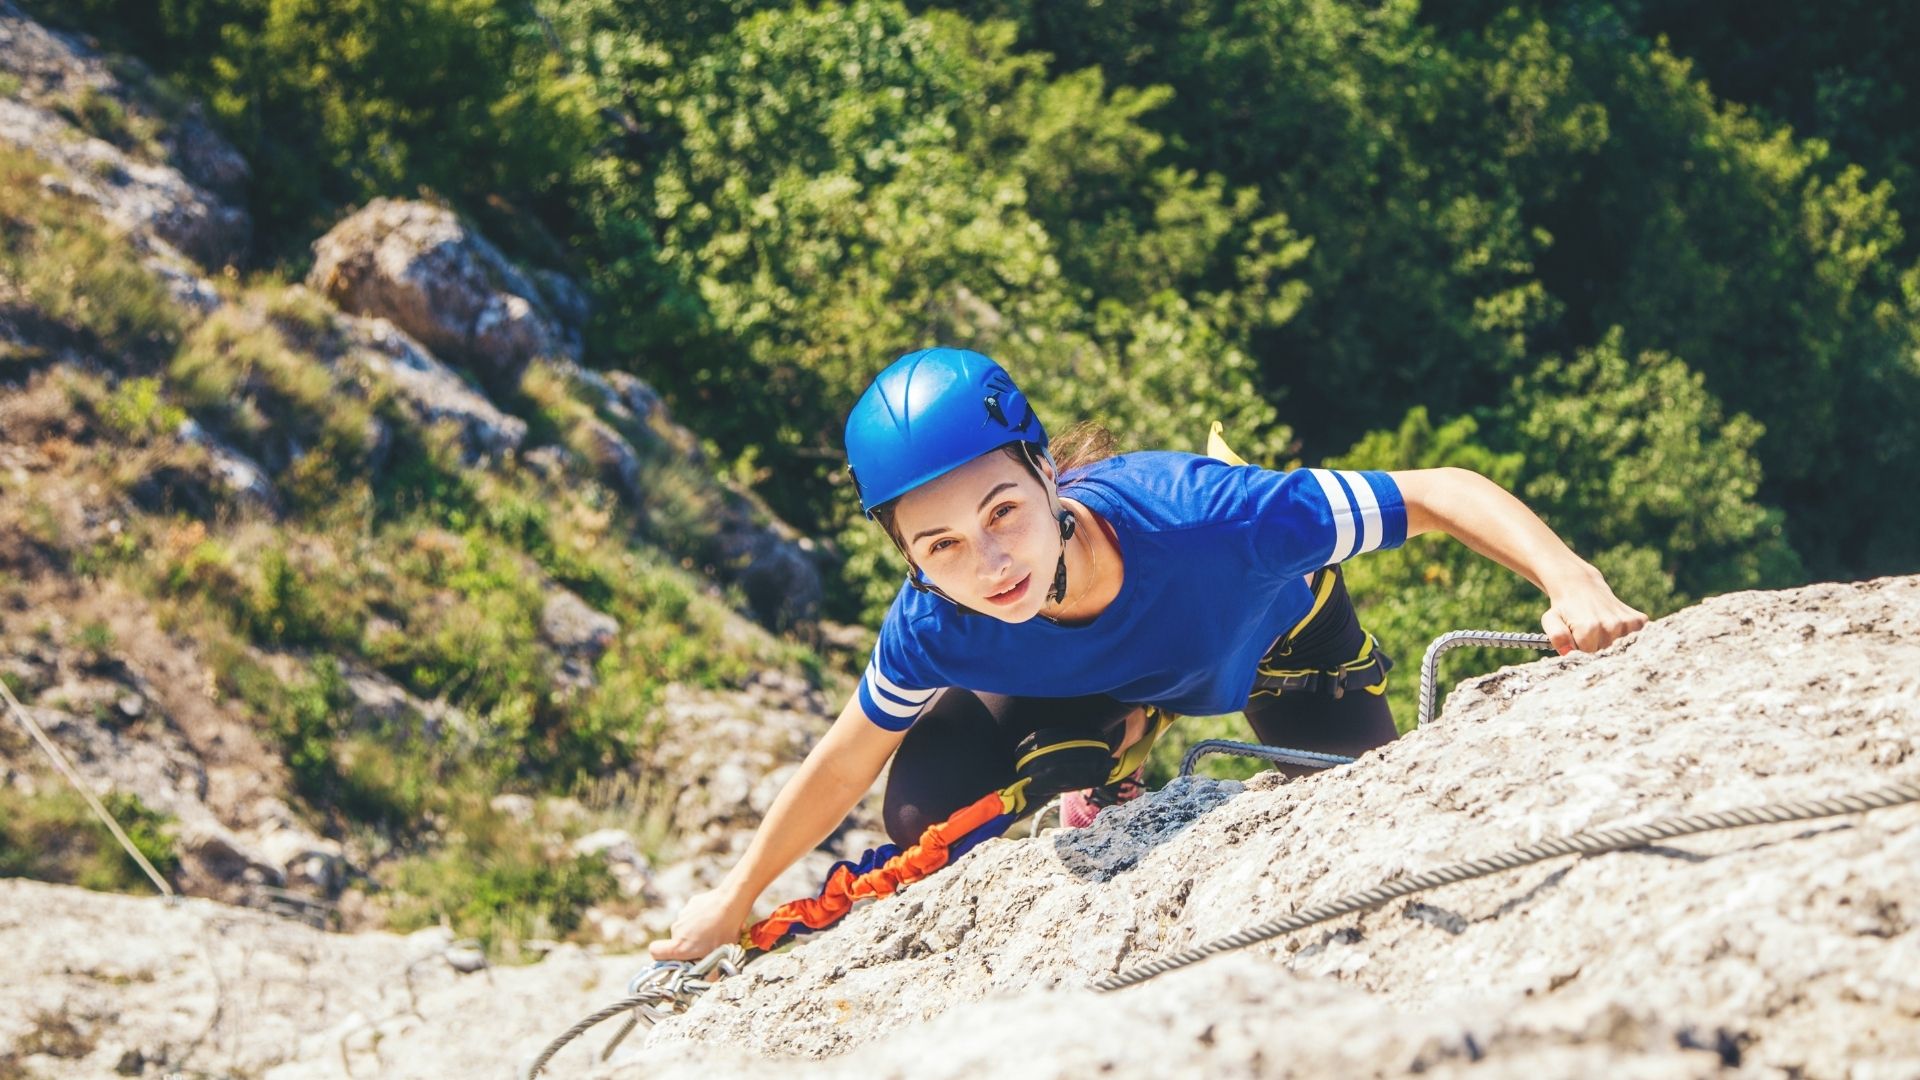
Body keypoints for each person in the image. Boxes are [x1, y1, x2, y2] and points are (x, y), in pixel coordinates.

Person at [651, 347, 1646, 961]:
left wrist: (1571, 580)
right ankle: (1101, 742)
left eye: (1003, 512)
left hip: (1267, 647)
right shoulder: (937, 618)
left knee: (1369, 828)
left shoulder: (1213, 518)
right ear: (907, 556)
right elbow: (847, 757)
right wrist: (733, 900)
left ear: (1049, 475)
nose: (988, 563)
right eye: (940, 545)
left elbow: (1438, 490)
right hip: (1078, 675)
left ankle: (1117, 724)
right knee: (924, 813)